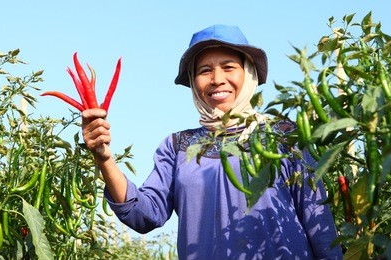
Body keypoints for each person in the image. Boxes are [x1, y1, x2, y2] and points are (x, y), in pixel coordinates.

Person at [81, 24, 343, 259]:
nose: (217, 79)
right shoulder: (178, 146)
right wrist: (104, 158)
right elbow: (144, 214)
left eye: (229, 67)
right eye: (205, 70)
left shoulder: (284, 135)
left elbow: (317, 220)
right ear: (195, 83)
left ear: (248, 73)